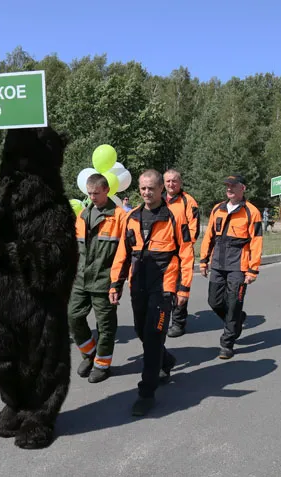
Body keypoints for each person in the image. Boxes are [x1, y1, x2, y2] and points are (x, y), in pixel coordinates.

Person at [109, 169, 194, 416]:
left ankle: (146, 392)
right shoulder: (132, 217)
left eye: (151, 188)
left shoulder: (175, 217)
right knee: (140, 331)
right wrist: (116, 283)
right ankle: (165, 361)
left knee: (154, 335)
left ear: (161, 190)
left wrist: (184, 287)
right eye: (143, 188)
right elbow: (122, 254)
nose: (147, 192)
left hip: (164, 286)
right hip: (139, 284)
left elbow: (187, 253)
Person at [68, 174, 128, 384]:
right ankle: (90, 354)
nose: (92, 197)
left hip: (104, 280)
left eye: (96, 193)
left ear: (106, 191)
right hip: (81, 278)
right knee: (73, 316)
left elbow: (124, 253)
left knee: (105, 326)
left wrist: (116, 282)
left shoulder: (120, 216)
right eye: (89, 193)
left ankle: (102, 365)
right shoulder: (84, 214)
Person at [200, 174, 263, 360]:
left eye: (233, 186)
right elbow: (209, 237)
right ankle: (237, 320)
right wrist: (203, 260)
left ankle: (227, 342)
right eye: (227, 185)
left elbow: (256, 242)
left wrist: (253, 269)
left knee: (234, 303)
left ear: (242, 188)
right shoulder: (217, 209)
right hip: (218, 263)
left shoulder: (252, 212)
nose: (229, 189)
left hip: (239, 265)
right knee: (214, 301)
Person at [163, 169, 200, 338]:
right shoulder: (160, 199)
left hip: (180, 252)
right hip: (162, 251)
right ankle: (163, 318)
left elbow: (194, 228)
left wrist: (183, 246)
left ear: (180, 183)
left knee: (180, 288)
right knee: (164, 288)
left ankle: (178, 323)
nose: (171, 184)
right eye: (168, 181)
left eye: (174, 181)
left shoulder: (188, 201)